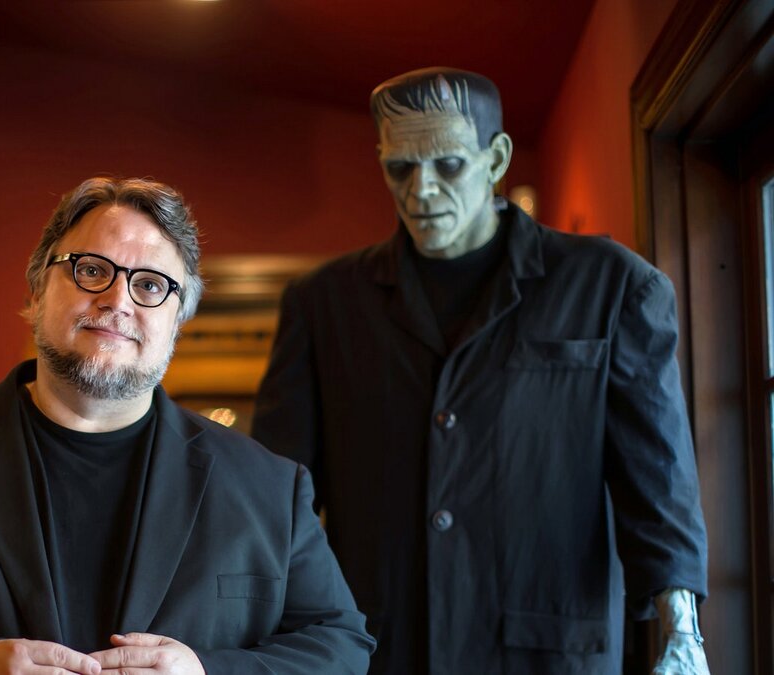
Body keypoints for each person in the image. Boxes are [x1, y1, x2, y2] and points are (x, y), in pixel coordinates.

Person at [0, 176, 376, 674]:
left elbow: (342, 645)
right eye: (90, 269)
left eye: (150, 285)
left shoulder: (271, 488)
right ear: (38, 289)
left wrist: (205, 672)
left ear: (177, 320)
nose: (117, 300)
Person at [251, 67, 710, 674]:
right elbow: (276, 494)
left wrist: (683, 629)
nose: (421, 190)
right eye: (400, 167)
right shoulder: (324, 304)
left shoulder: (610, 286)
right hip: (382, 647)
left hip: (546, 648)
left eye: (448, 165)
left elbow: (657, 473)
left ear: (496, 159)